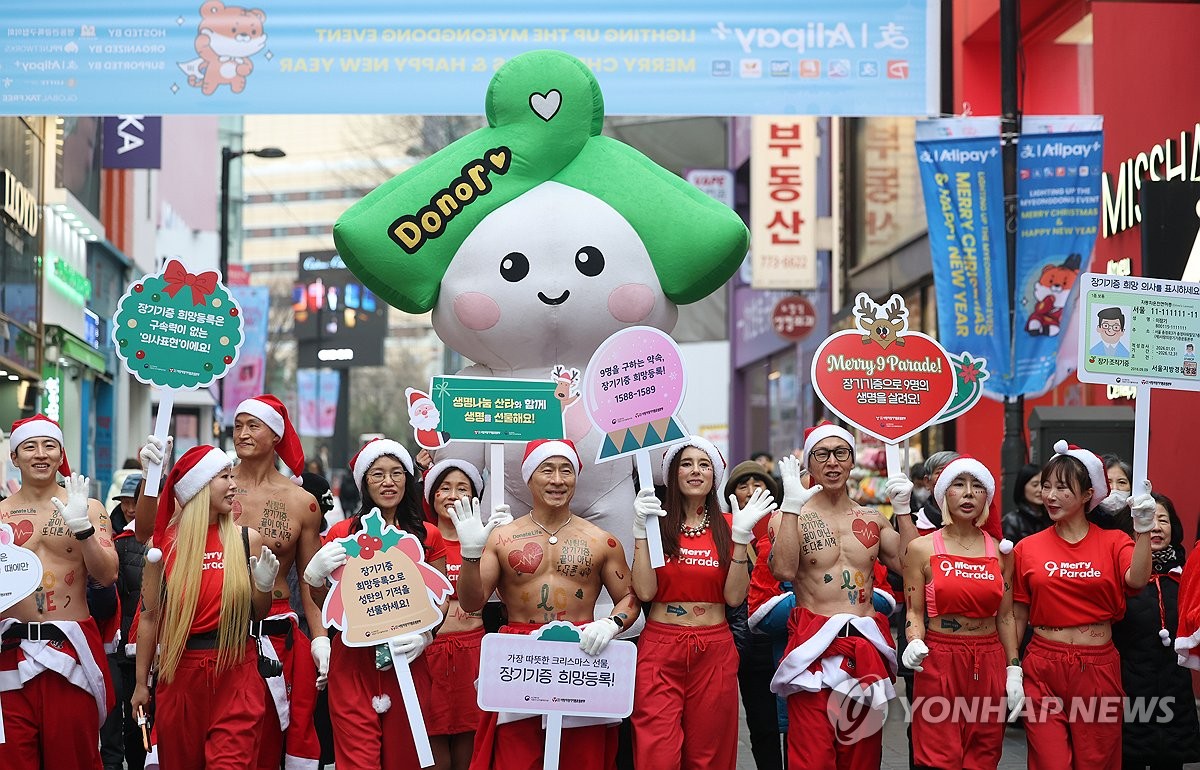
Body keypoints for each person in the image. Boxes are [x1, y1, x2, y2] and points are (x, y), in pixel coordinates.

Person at [451, 438, 639, 770]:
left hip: (583, 654)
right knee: (516, 760)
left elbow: (629, 597)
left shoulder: (601, 540)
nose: (557, 480)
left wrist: (611, 624)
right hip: (521, 657)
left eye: (566, 470)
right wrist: (470, 554)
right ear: (528, 476)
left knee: (583, 760)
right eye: (547, 470)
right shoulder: (502, 538)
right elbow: (471, 602)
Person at [768, 421, 918, 770]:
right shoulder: (790, 516)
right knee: (811, 758)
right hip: (813, 649)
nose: (832, 462)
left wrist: (903, 511)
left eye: (840, 453)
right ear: (809, 463)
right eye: (822, 454)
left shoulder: (872, 518)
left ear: (852, 461)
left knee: (861, 757)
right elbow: (784, 570)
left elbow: (911, 565)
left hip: (864, 648)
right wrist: (790, 508)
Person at [302, 437, 451, 769]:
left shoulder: (428, 535)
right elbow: (327, 605)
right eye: (378, 474)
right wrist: (314, 577)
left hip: (408, 659)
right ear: (364, 483)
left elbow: (441, 599)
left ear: (407, 479)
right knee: (357, 760)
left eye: (397, 473)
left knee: (406, 758)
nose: (388, 482)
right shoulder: (343, 534)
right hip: (353, 661)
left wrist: (425, 636)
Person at [629, 438, 775, 769]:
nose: (696, 471)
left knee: (708, 757)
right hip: (660, 649)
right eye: (686, 463)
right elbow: (645, 592)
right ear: (672, 474)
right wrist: (639, 532)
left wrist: (741, 541)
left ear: (714, 475)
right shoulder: (654, 523)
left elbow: (734, 597)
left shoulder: (730, 526)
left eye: (704, 464)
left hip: (714, 650)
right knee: (657, 755)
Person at [131, 445, 280, 770]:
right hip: (180, 675)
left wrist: (264, 587)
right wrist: (141, 684)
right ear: (198, 487)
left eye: (232, 476)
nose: (233, 484)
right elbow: (149, 617)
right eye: (224, 477)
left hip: (236, 669)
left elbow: (258, 613)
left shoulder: (247, 539)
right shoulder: (164, 546)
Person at [1013, 440, 1153, 770]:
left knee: (1096, 761)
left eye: (1062, 488)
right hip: (1042, 666)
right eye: (1046, 486)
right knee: (1050, 762)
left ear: (1089, 493)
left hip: (1097, 668)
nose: (1050, 495)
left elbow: (1136, 579)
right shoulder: (1026, 548)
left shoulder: (1114, 542)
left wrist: (1144, 530)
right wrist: (1011, 667)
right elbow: (1016, 614)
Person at [0, 414, 118, 769]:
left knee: (73, 758)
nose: (41, 454)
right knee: (12, 760)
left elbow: (108, 574)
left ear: (61, 453)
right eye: (30, 446)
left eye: (49, 445)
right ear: (14, 456)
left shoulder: (89, 507)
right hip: (10, 650)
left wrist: (82, 529)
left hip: (69, 646)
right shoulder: (1, 514)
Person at [901, 457, 1022, 770]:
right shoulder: (921, 549)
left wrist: (1014, 670)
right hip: (940, 658)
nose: (968, 493)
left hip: (989, 659)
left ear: (987, 497)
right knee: (938, 756)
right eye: (959, 484)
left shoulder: (1001, 551)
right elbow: (914, 611)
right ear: (944, 493)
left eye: (977, 486)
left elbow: (1006, 617)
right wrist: (914, 640)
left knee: (984, 754)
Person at [230, 395, 325, 770]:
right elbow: (159, 539)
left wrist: (320, 639)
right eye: (238, 425)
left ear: (275, 436)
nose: (243, 433)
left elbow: (310, 580)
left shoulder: (302, 502)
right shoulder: (213, 486)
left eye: (253, 426)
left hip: (275, 631)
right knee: (227, 741)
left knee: (270, 740)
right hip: (216, 625)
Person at [1112, 492, 1200, 769]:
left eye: (1164, 520)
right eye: (1150, 520)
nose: (1157, 527)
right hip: (1129, 691)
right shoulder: (1121, 577)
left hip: (1176, 692)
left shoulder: (1186, 576)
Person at [425, 458, 488, 770]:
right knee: (431, 746)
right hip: (427, 654)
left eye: (462, 488)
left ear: (475, 497)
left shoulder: (486, 541)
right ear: (431, 495)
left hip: (473, 654)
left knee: (470, 748)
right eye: (444, 488)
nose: (452, 495)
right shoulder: (418, 539)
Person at [723, 459, 785, 770]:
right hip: (749, 643)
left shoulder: (786, 525)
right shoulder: (724, 532)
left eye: (757, 484)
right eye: (742, 485)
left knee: (798, 723)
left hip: (789, 638)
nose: (750, 491)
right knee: (762, 726)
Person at [99, 473, 147, 770]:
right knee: (120, 714)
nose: (130, 508)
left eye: (135, 502)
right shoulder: (116, 541)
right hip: (121, 645)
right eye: (125, 502)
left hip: (152, 644)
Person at [1002, 463, 1050, 546]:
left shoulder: (1052, 517)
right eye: (1035, 485)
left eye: (1044, 485)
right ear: (1022, 487)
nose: (1040, 489)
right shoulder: (1012, 521)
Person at [914, 450, 960, 533]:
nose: (948, 478)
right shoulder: (913, 523)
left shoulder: (978, 523)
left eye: (955, 473)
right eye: (941, 472)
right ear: (927, 482)